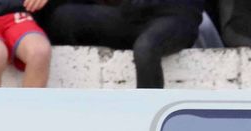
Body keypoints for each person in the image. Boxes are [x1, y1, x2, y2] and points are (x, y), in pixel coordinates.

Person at [48, 1, 204, 88]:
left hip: (175, 17)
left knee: (146, 48)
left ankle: (147, 122)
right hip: (133, 15)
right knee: (66, 17)